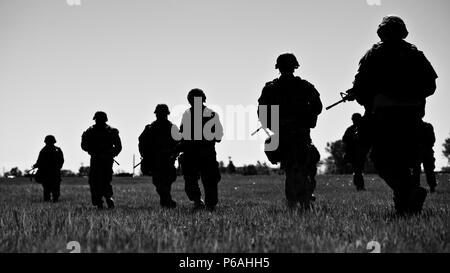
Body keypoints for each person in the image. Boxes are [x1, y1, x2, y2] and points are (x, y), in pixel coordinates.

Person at [347, 15, 438, 215]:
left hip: (384, 118)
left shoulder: (374, 54)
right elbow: (431, 86)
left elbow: (361, 86)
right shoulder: (415, 54)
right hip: (411, 117)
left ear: (381, 33)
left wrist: (360, 95)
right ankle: (407, 207)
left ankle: (407, 196)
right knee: (410, 161)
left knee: (381, 159)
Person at [258, 53, 323, 209]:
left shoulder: (270, 88)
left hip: (283, 134)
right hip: (300, 134)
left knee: (291, 169)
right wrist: (305, 118)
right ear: (295, 66)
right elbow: (317, 107)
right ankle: (305, 201)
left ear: (278, 68)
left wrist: (276, 124)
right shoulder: (305, 86)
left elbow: (262, 113)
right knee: (305, 167)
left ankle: (294, 203)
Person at [179, 88, 223, 211]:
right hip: (201, 153)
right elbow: (218, 137)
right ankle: (204, 203)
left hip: (197, 153)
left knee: (204, 180)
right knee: (200, 180)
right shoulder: (210, 115)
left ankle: (203, 203)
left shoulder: (188, 115)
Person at [138, 104, 180, 208]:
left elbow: (178, 143)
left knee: (163, 183)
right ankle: (167, 201)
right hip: (157, 160)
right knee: (162, 183)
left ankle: (166, 202)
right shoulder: (152, 128)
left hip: (164, 160)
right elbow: (142, 142)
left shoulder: (155, 128)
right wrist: (145, 156)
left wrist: (174, 153)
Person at [81, 111, 122, 209]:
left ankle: (104, 200)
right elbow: (84, 145)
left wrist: (110, 154)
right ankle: (105, 199)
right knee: (101, 181)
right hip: (101, 159)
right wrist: (110, 154)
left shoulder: (95, 131)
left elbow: (118, 147)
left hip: (101, 159)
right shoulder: (110, 131)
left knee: (97, 181)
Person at [33, 135, 64, 202]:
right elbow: (61, 161)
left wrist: (36, 165)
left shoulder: (43, 150)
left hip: (46, 174)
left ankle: (50, 202)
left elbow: (39, 162)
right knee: (54, 190)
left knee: (47, 190)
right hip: (54, 174)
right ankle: (53, 202)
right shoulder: (57, 150)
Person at [342, 113, 369, 191]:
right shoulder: (350, 129)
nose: (354, 121)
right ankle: (359, 186)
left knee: (358, 170)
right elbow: (344, 139)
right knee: (357, 170)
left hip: (360, 153)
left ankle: (359, 185)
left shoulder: (363, 129)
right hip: (353, 154)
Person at [413, 121, 437, 193]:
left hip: (422, 151)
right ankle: (417, 188)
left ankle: (431, 187)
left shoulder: (426, 126)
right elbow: (433, 140)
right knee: (417, 170)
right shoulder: (428, 126)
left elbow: (432, 140)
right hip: (422, 151)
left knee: (427, 170)